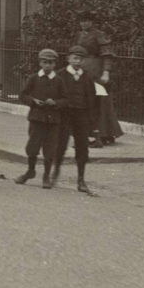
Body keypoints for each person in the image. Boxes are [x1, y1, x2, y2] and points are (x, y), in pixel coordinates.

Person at [14, 49, 67, 189]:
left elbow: (66, 100)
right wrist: (33, 101)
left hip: (53, 121)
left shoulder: (59, 81)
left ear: (55, 64)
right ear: (40, 63)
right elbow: (23, 95)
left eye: (51, 63)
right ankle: (30, 171)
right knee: (32, 147)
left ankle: (46, 176)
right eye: (45, 62)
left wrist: (55, 103)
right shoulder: (33, 78)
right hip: (36, 119)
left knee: (49, 149)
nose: (48, 65)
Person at [76, 10, 123, 146]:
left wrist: (106, 72)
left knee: (100, 102)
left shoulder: (99, 35)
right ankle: (91, 134)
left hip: (96, 71)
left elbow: (107, 55)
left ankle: (104, 134)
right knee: (86, 103)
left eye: (87, 20)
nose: (84, 23)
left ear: (92, 22)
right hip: (83, 71)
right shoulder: (79, 35)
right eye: (82, 21)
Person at [55, 45, 97, 194]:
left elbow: (91, 99)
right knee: (60, 144)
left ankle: (81, 179)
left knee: (82, 147)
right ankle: (55, 172)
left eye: (81, 59)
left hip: (81, 115)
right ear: (68, 58)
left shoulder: (87, 77)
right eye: (75, 58)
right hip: (65, 115)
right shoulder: (60, 75)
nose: (78, 62)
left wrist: (92, 121)